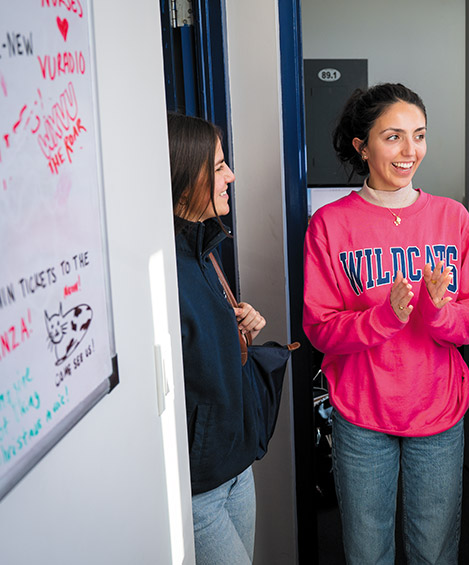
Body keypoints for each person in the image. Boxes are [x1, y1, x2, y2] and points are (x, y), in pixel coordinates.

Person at [303, 83, 469, 564]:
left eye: (420, 135)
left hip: (437, 411)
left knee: (435, 550)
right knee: (368, 552)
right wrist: (385, 317)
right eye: (393, 137)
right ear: (362, 146)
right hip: (362, 412)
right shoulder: (329, 224)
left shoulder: (453, 219)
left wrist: (436, 310)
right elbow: (320, 328)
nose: (411, 151)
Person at [168, 112, 267, 565]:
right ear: (185, 178)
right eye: (220, 166)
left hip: (237, 464)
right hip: (198, 487)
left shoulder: (205, 247)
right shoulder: (161, 269)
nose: (231, 176)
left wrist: (240, 326)